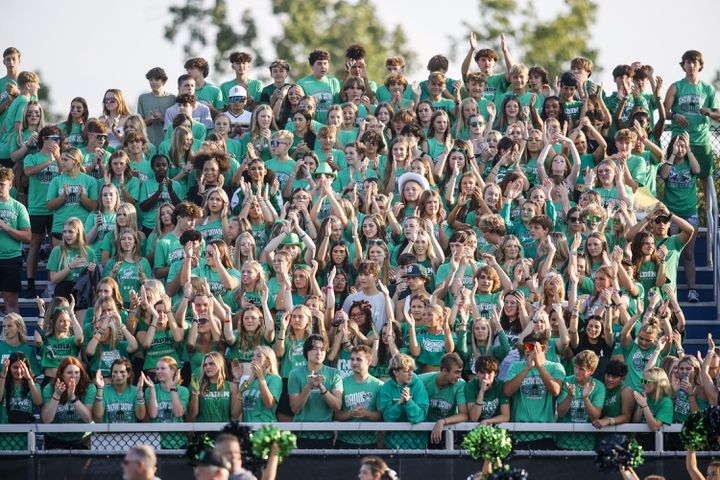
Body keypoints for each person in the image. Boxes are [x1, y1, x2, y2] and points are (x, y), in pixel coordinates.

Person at [502, 330, 565, 449]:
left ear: (544, 348)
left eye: (531, 347)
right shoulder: (516, 366)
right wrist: (527, 368)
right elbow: (507, 391)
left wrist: (539, 366)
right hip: (519, 434)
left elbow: (555, 390)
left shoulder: (555, 367)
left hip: (545, 434)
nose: (527, 350)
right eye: (525, 346)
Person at [288, 334, 342, 448]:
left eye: (322, 349)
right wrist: (309, 387)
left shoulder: (334, 374)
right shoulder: (295, 374)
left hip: (325, 435)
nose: (319, 352)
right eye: (314, 349)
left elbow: (337, 406)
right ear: (306, 352)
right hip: (300, 434)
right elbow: (295, 408)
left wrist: (322, 388)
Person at [41, 356, 97, 449]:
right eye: (69, 372)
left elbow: (88, 419)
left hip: (81, 438)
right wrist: (56, 395)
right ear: (61, 375)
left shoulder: (89, 388)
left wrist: (73, 397)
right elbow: (47, 420)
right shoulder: (49, 388)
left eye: (77, 372)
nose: (74, 376)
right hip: (55, 438)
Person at [335, 344, 384, 448]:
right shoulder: (341, 383)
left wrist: (366, 413)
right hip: (344, 441)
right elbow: (335, 415)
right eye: (352, 359)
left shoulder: (378, 385)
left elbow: (381, 416)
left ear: (369, 361)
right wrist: (350, 414)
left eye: (359, 359)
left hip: (369, 442)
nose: (354, 363)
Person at [378, 353, 429, 450]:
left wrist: (409, 401)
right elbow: (388, 418)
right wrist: (399, 403)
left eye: (412, 370)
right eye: (406, 371)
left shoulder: (418, 385)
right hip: (393, 446)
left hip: (418, 446)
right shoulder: (386, 388)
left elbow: (419, 417)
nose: (411, 374)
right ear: (396, 372)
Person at [420, 352, 468, 447]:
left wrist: (442, 421)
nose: (459, 376)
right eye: (456, 372)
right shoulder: (422, 380)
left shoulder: (460, 384)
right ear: (444, 371)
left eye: (460, 372)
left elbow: (464, 415)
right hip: (424, 428)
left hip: (448, 427)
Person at [0, 166, 30, 313]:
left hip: (11, 258)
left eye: (1, 184)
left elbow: (28, 236)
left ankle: (17, 336)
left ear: (10, 185)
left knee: (11, 303)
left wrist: (6, 228)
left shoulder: (18, 207)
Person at [93, 358, 146, 423]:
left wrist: (140, 392)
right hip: (109, 432)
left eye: (122, 372)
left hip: (130, 432)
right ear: (111, 374)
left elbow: (141, 416)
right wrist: (100, 388)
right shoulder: (104, 391)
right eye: (115, 372)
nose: (118, 375)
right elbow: (98, 415)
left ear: (128, 374)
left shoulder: (135, 391)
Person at [297, 49, 341, 124]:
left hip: (331, 127)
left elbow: (338, 106)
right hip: (311, 126)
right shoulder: (302, 83)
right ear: (311, 66)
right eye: (319, 63)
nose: (323, 66)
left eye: (325, 63)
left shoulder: (334, 82)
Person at [465, 355, 510, 425]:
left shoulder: (501, 386)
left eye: (489, 373)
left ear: (495, 374)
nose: (486, 377)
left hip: (496, 430)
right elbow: (474, 418)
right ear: (477, 373)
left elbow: (505, 416)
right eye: (482, 372)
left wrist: (488, 421)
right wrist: (482, 391)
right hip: (474, 429)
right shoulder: (470, 386)